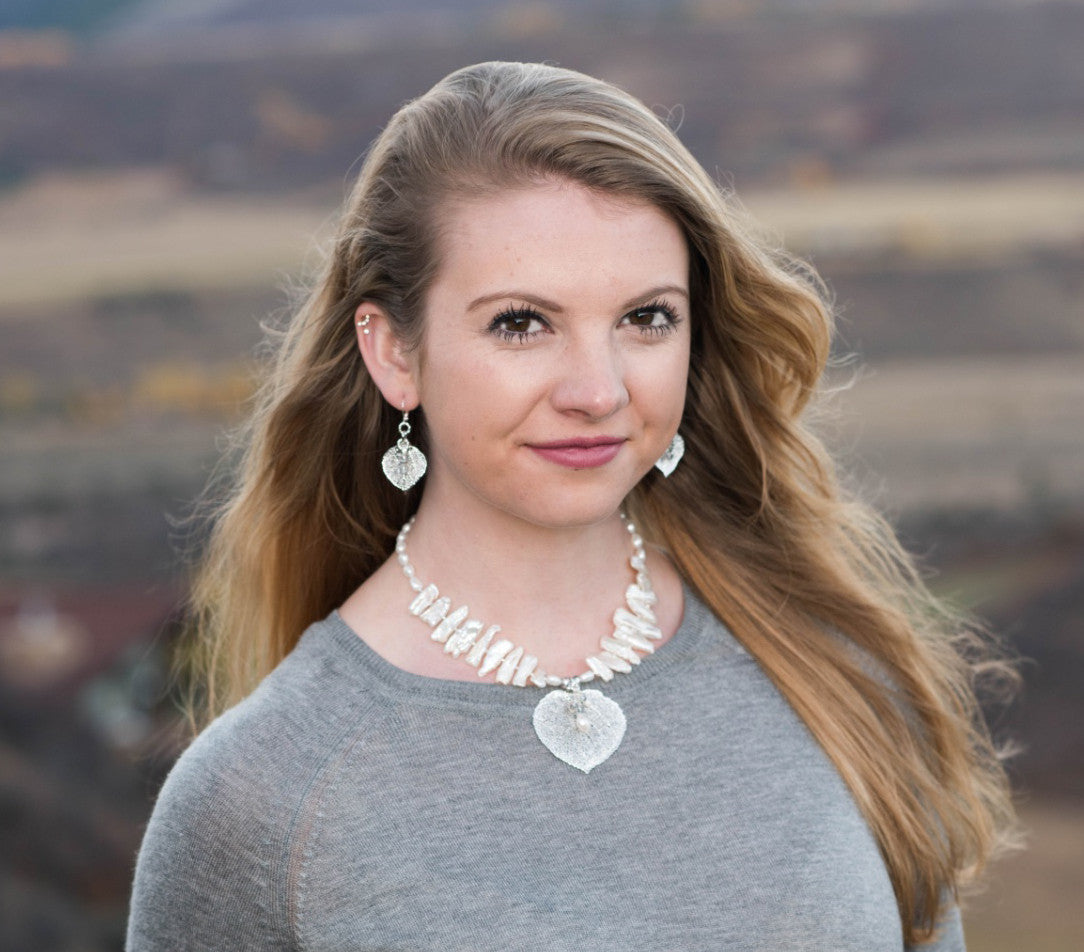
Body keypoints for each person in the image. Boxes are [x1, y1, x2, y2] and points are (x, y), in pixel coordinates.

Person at [126, 62, 1015, 951]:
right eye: (522, 322)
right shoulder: (259, 798)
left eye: (647, 318)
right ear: (393, 350)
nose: (598, 390)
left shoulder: (836, 680)